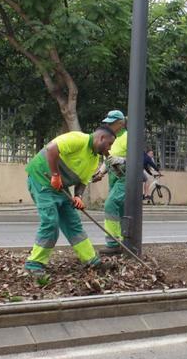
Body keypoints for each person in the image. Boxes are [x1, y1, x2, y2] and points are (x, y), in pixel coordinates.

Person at [23, 125, 116, 279]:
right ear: (101, 138)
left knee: (73, 223)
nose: (109, 149)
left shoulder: (93, 160)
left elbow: (83, 181)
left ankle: (91, 260)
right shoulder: (78, 139)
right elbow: (51, 149)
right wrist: (55, 175)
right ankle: (34, 264)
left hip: (60, 188)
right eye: (109, 144)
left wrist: (78, 196)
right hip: (42, 179)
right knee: (50, 222)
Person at [95, 110, 127, 255]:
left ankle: (113, 243)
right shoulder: (110, 138)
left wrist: (120, 161)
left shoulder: (128, 137)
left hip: (126, 178)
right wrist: (101, 172)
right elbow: (108, 158)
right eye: (107, 123)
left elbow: (138, 159)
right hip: (114, 179)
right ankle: (122, 242)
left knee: (110, 204)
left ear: (120, 123)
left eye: (111, 123)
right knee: (119, 210)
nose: (108, 125)